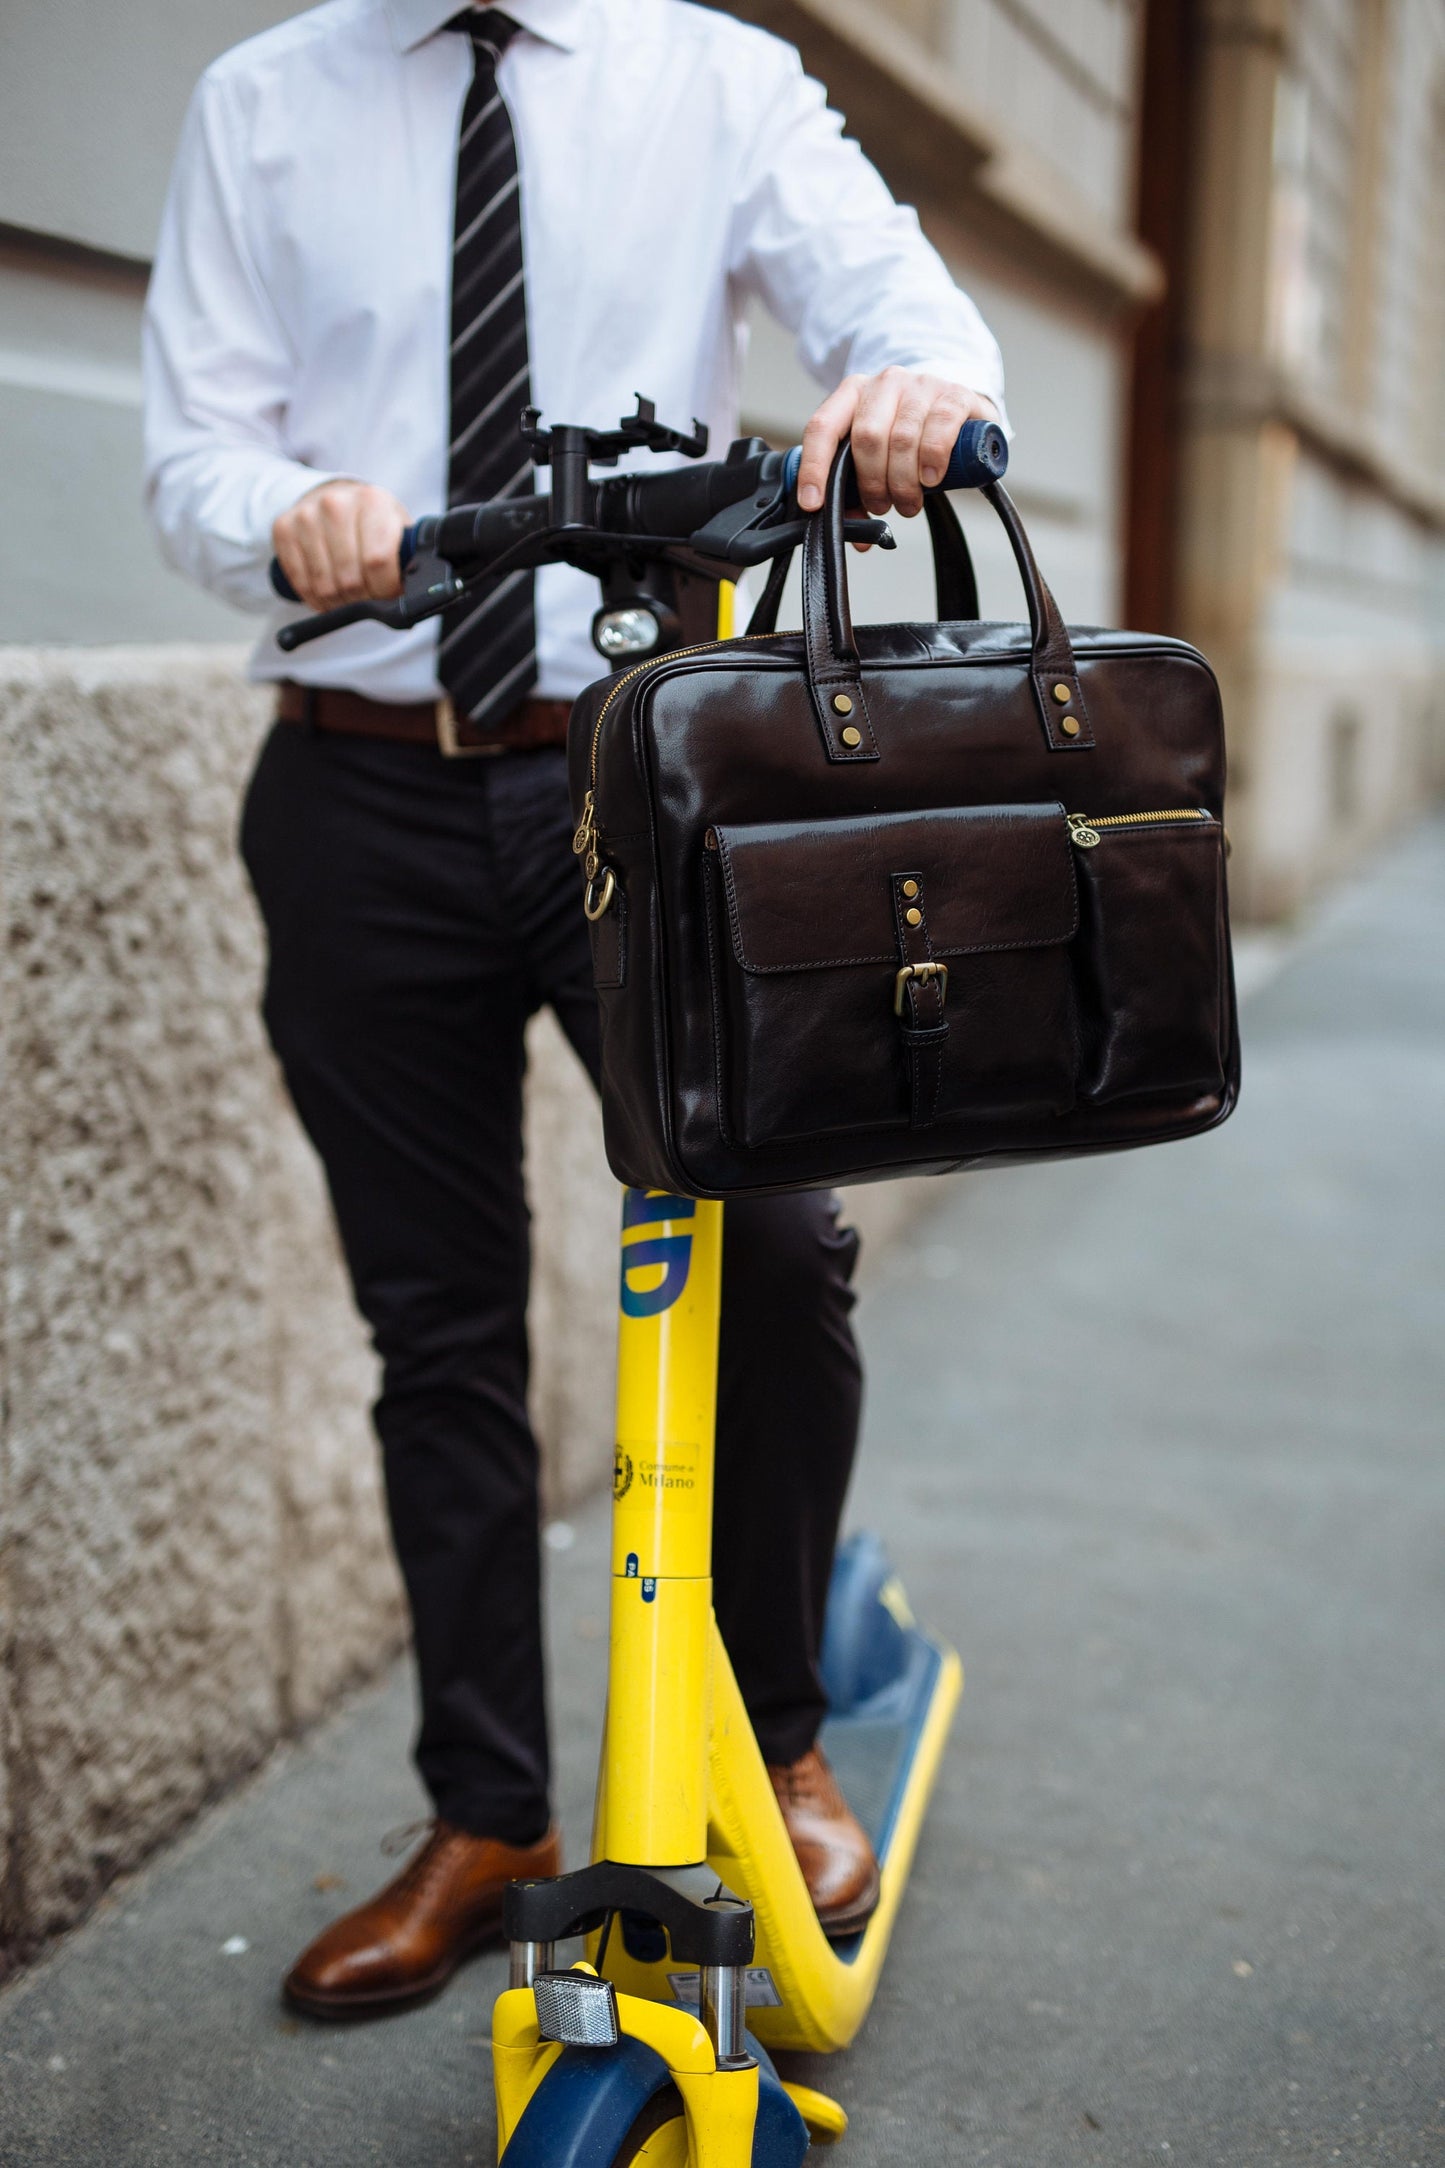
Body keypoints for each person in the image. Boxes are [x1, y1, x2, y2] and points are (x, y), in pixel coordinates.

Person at [143, 0, 1008, 2020]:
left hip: (644, 760)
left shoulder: (704, 74)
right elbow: (191, 440)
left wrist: (901, 395)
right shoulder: (261, 101)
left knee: (777, 1244)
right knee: (431, 1319)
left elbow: (915, 317)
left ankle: (774, 1738)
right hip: (355, 785)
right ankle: (489, 1810)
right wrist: (278, 515)